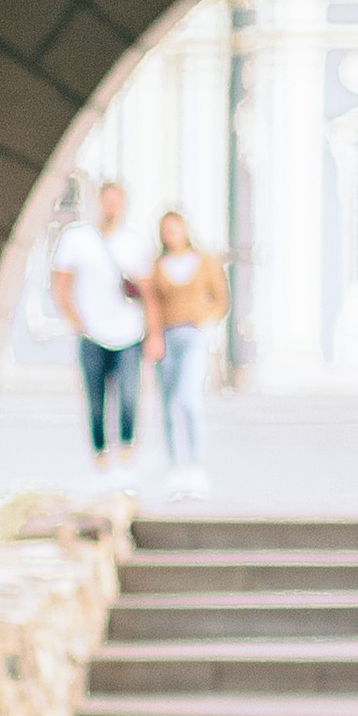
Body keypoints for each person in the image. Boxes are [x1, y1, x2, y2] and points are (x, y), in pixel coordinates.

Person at [51, 180, 146, 464]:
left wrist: (152, 332)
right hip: (91, 333)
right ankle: (100, 456)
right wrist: (77, 322)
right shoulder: (77, 239)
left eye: (117, 202)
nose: (112, 208)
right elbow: (61, 285)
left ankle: (126, 457)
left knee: (129, 398)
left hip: (129, 333)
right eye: (107, 201)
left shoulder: (135, 242)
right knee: (95, 401)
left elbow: (148, 292)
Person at [140, 210, 227, 500]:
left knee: (189, 399)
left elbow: (220, 298)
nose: (171, 235)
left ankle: (195, 465)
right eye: (166, 230)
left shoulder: (203, 261)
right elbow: (151, 304)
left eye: (175, 229)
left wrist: (206, 318)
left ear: (185, 231)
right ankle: (175, 467)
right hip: (166, 337)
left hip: (192, 336)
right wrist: (152, 336)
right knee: (167, 404)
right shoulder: (158, 266)